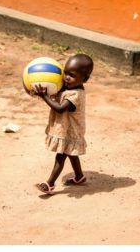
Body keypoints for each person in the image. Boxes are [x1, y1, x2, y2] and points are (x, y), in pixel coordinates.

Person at [34, 54, 94, 195]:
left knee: (60, 156)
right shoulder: (68, 87)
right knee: (71, 154)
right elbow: (57, 94)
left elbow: (60, 108)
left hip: (70, 131)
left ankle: (49, 184)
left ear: (84, 79)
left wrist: (44, 96)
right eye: (65, 73)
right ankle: (79, 177)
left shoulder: (75, 95)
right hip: (68, 129)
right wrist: (43, 92)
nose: (66, 77)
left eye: (72, 75)